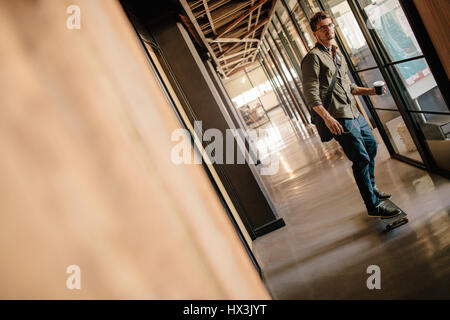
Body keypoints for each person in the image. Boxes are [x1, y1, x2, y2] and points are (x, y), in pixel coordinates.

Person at [301, 11, 401, 218]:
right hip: (338, 117)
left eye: (330, 25)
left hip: (353, 112)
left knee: (371, 147)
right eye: (323, 27)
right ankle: (373, 206)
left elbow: (348, 86)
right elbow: (311, 95)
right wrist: (327, 119)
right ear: (315, 33)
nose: (329, 29)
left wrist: (371, 91)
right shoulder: (312, 58)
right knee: (361, 158)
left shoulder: (336, 53)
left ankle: (371, 187)